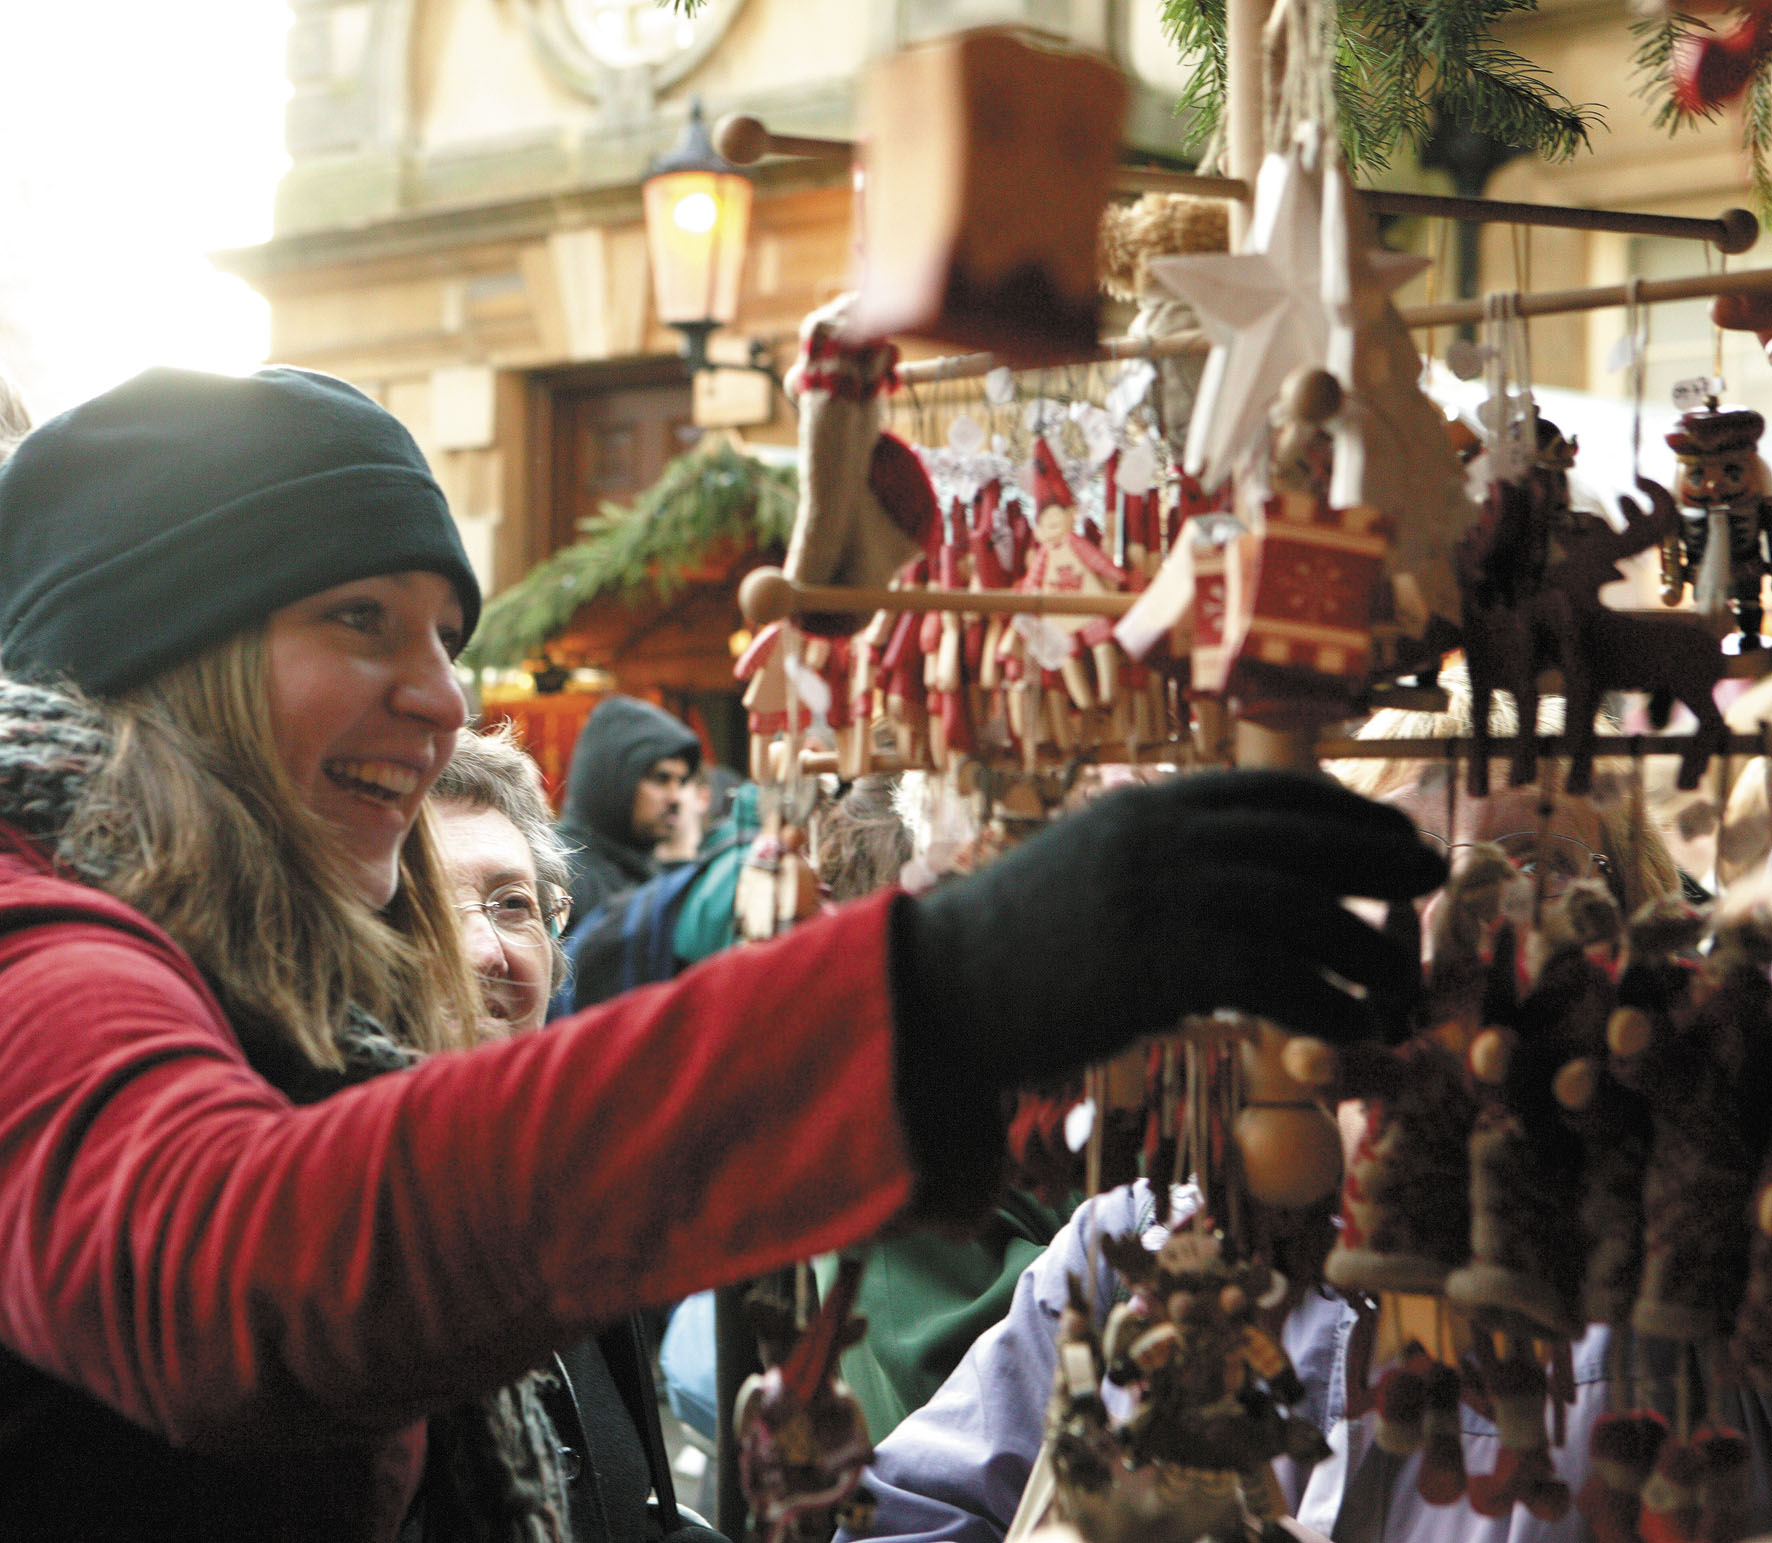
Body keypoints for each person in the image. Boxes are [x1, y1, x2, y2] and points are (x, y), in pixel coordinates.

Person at [0, 364, 1442, 1541]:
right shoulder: (29, 935)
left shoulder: (313, 998)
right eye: (360, 618)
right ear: (161, 647)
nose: (441, 696)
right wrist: (938, 990)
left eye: (443, 632)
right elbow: (235, 1270)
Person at [842, 679, 1696, 1543]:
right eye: (1400, 854)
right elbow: (897, 1523)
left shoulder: (1682, 1276)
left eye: (1537, 861)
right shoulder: (1148, 1237)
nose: (1454, 911)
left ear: (1624, 932)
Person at [430, 725, 722, 1543]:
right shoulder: (345, 1265)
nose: (486, 950)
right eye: (426, 908)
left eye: (513, 904)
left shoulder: (563, 1211)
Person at [557, 695, 702, 919]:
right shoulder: (562, 875)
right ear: (614, 779)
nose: (676, 798)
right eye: (661, 779)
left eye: (681, 782)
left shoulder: (640, 871)